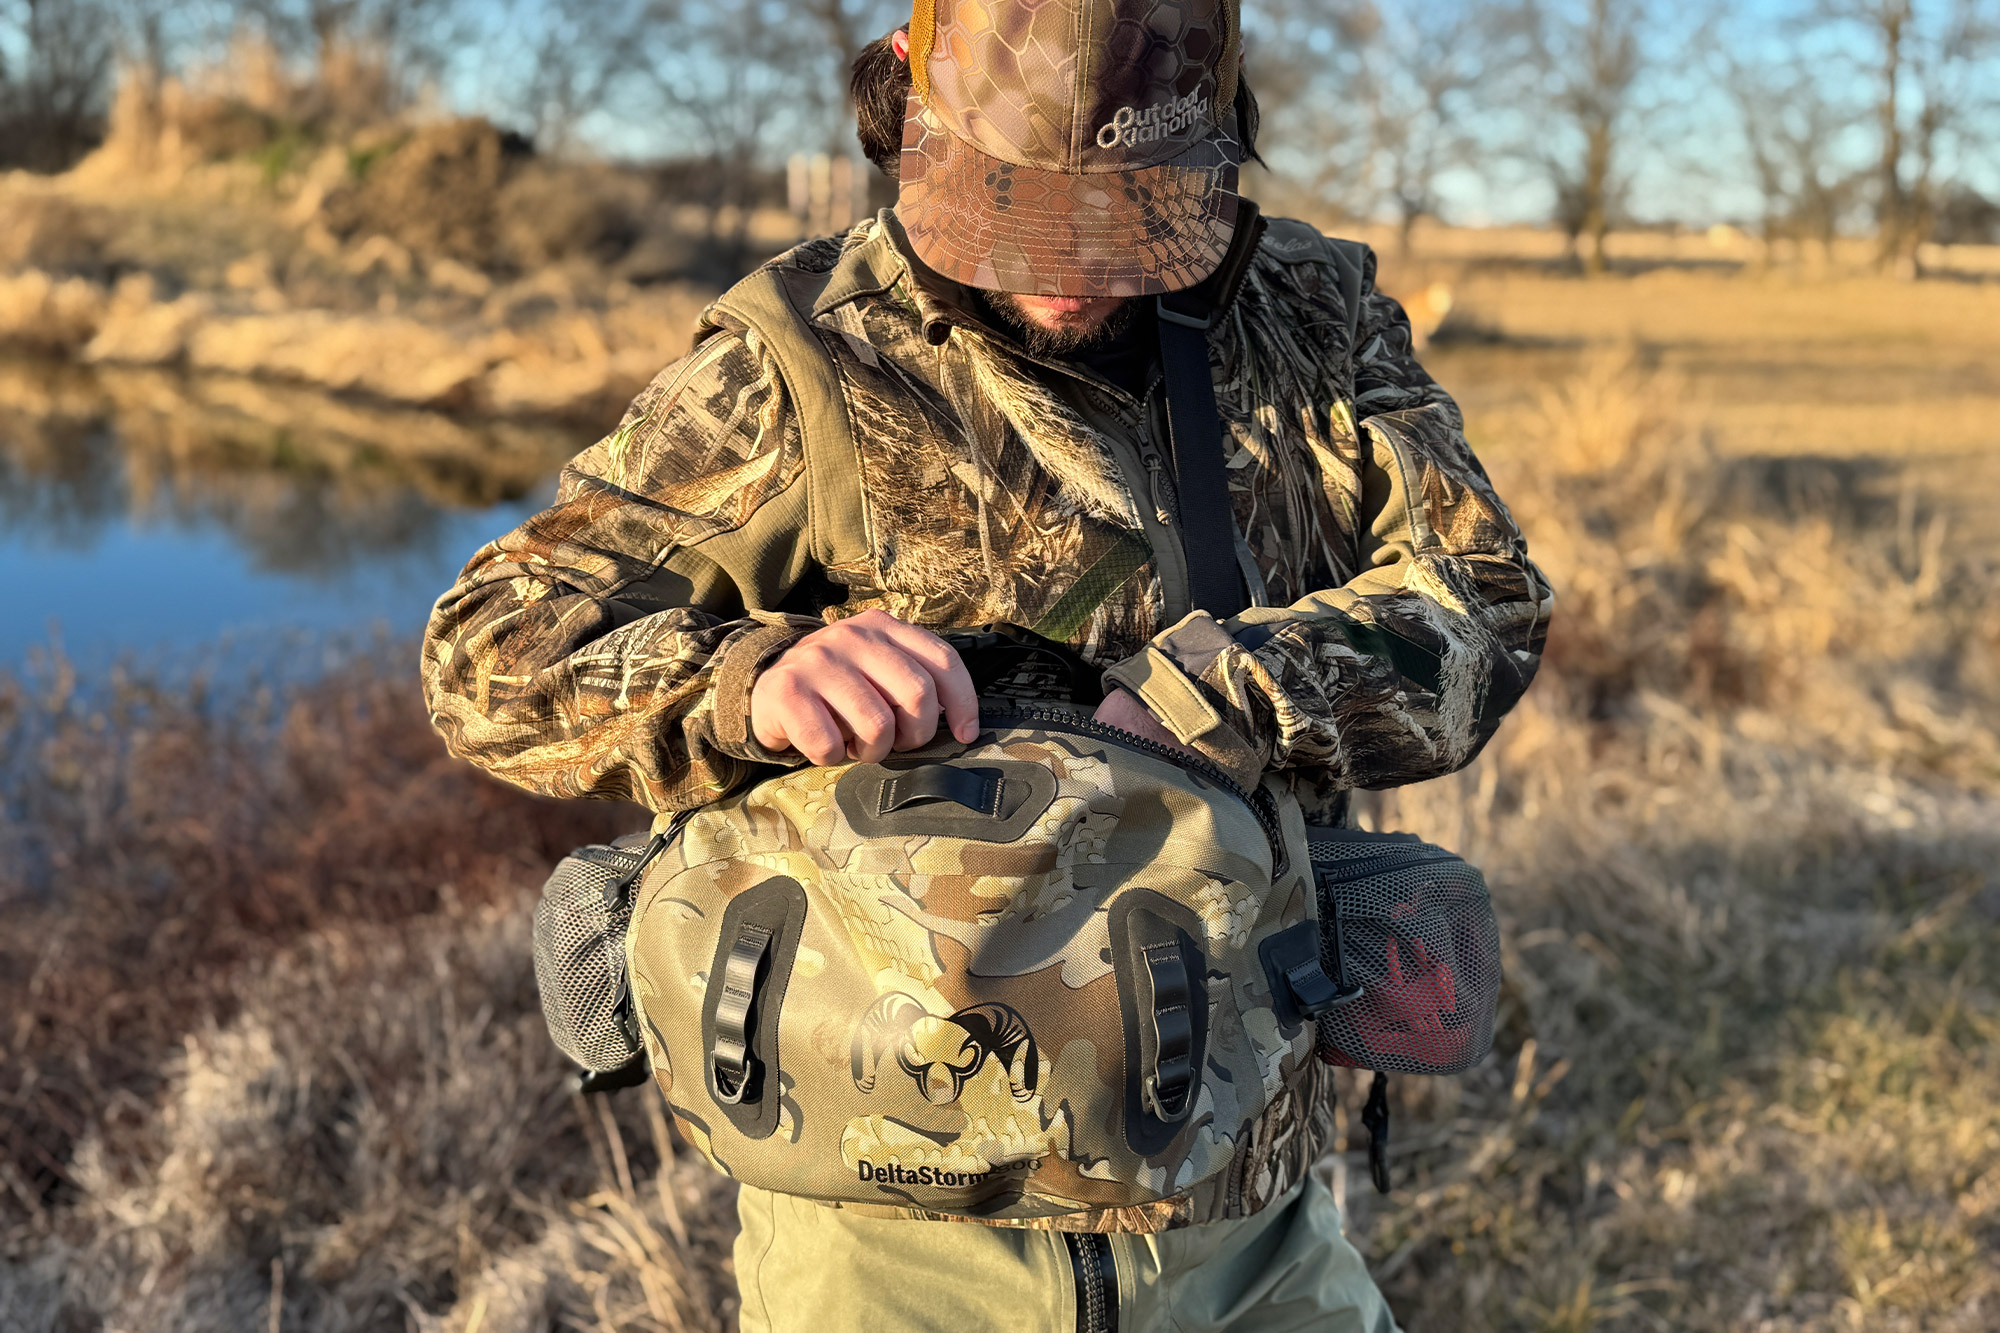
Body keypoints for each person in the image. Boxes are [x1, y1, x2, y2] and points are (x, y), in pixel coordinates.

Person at [422, 0, 1552, 1327]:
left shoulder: (1311, 316)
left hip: (1247, 1219)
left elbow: (1488, 598)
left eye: (1125, 214)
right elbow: (488, 645)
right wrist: (744, 681)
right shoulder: (800, 355)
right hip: (884, 1252)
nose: (1066, 267)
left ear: (1217, 135)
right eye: (1011, 207)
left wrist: (1235, 690)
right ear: (906, 105)